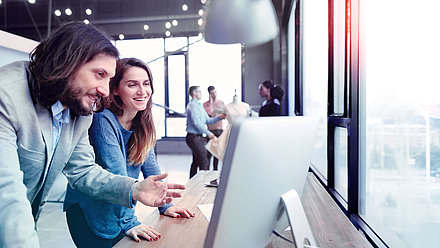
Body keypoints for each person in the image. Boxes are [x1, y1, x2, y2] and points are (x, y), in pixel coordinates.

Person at [0, 22, 184, 248]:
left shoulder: (77, 109)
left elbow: (83, 171)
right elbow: (7, 196)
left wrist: (135, 189)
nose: (105, 91)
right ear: (66, 62)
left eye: (109, 79)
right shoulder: (5, 95)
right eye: (99, 74)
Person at [63, 58, 196, 247]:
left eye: (146, 83)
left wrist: (166, 204)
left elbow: (152, 169)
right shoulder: (103, 120)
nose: (142, 91)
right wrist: (129, 222)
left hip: (117, 209)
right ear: (115, 89)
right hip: (90, 211)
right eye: (132, 85)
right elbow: (117, 171)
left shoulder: (142, 121)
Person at [186, 86, 226, 178]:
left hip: (199, 137)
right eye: (199, 92)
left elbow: (208, 120)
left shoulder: (199, 106)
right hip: (193, 137)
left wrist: (219, 117)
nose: (201, 94)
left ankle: (191, 182)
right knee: (204, 161)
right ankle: (204, 183)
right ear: (194, 93)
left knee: (196, 161)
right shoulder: (192, 106)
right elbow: (197, 123)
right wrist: (208, 133)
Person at [206, 94, 252, 161]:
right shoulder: (226, 106)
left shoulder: (246, 106)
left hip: (243, 130)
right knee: (229, 152)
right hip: (230, 130)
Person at [203, 86, 225, 170]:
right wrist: (211, 103)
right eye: (212, 93)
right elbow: (210, 116)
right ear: (209, 94)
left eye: (215, 92)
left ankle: (215, 171)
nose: (214, 95)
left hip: (219, 130)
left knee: (217, 153)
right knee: (209, 154)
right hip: (210, 131)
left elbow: (224, 115)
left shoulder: (221, 103)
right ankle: (207, 172)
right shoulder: (205, 105)